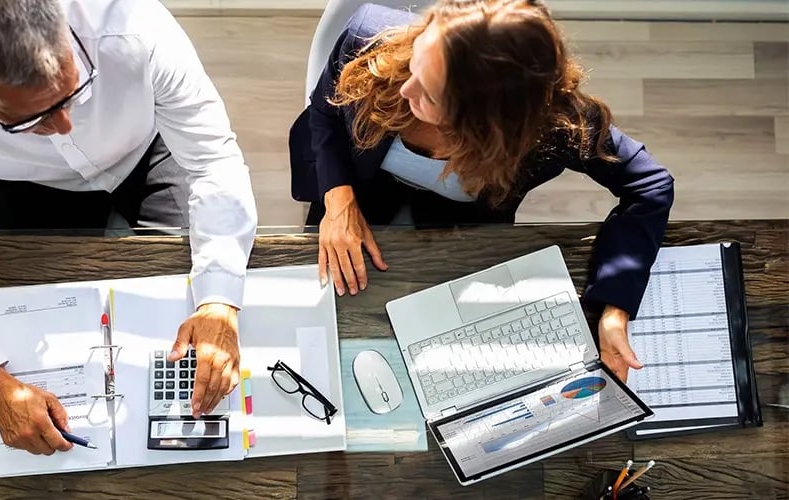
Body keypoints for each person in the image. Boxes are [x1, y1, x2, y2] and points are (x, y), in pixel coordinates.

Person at [0, 0, 257, 455]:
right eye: (31, 119)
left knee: (189, 306)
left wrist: (220, 303)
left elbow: (212, 163)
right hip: (30, 184)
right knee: (32, 314)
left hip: (151, 148)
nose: (65, 125)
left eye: (75, 92)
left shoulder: (135, 24)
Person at [288, 0, 674, 382]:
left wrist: (614, 308)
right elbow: (325, 111)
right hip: (356, 182)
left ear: (488, 124)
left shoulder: (556, 125)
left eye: (431, 94)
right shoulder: (370, 37)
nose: (406, 89)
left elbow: (650, 185)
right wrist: (338, 198)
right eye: (416, 62)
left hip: (461, 230)